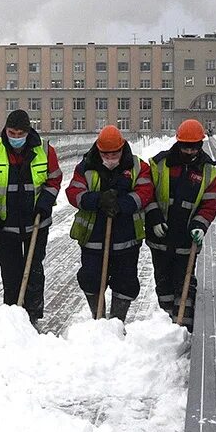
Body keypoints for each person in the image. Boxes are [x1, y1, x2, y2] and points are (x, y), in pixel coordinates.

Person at [0, 109, 62, 324]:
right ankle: (11, 315)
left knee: (34, 270)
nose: (15, 138)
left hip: (36, 222)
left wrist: (44, 203)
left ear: (28, 131)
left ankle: (33, 315)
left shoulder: (45, 150)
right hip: (5, 224)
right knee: (10, 272)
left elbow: (54, 180)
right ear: (5, 130)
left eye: (20, 134)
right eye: (11, 133)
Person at [66, 125, 153, 321]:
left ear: (122, 149)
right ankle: (98, 318)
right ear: (98, 150)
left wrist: (122, 204)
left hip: (126, 238)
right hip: (93, 238)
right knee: (91, 278)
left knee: (125, 282)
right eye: (106, 154)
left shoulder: (138, 167)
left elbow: (145, 193)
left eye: (115, 154)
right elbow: (73, 193)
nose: (111, 158)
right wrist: (98, 200)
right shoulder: (85, 168)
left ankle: (117, 321)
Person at [144, 119, 216, 330]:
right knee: (163, 282)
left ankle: (184, 327)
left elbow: (209, 204)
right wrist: (154, 218)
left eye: (194, 146)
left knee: (184, 281)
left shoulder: (208, 172)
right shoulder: (159, 164)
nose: (189, 150)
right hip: (160, 237)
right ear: (178, 142)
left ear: (200, 144)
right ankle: (168, 320)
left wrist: (199, 225)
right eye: (185, 145)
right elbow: (146, 195)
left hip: (187, 240)